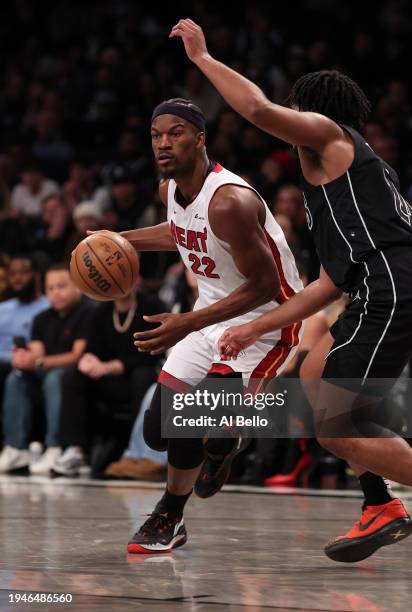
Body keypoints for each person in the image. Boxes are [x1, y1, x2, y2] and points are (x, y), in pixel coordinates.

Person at [171, 19, 412, 562]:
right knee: (310, 372)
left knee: (338, 425)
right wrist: (255, 327)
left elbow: (255, 109)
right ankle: (378, 501)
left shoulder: (331, 139)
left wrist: (204, 59)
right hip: (376, 286)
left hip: (392, 289)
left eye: (296, 112)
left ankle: (390, 502)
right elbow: (328, 281)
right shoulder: (342, 180)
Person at [113, 97, 302, 553]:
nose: (163, 143)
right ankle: (218, 442)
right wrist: (116, 240)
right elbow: (178, 233)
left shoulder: (230, 202)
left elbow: (263, 285)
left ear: (200, 139)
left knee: (198, 424)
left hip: (264, 321)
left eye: (175, 133)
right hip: (212, 313)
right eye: (157, 135)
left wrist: (186, 322)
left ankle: (170, 513)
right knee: (160, 430)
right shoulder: (169, 191)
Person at [53, 283, 166, 477]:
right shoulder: (100, 310)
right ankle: (74, 449)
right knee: (72, 376)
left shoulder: (153, 306)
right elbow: (92, 348)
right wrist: (88, 361)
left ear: (135, 278)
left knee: (142, 376)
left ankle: (136, 453)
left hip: (137, 374)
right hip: (108, 379)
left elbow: (153, 353)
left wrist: (111, 366)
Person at [0, 263, 92, 474]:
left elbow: (76, 356)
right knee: (16, 378)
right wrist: (24, 359)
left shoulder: (87, 313)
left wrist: (39, 362)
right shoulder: (42, 318)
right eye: (50, 288)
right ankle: (16, 447)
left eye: (61, 286)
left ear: (77, 286)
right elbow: (38, 354)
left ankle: (55, 446)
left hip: (78, 381)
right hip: (48, 380)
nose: (56, 293)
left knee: (56, 377)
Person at [0, 254, 49, 406]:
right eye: (13, 274)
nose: (17, 278)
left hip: (32, 365)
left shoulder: (48, 307)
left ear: (35, 275)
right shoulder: (3, 308)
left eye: (23, 272)